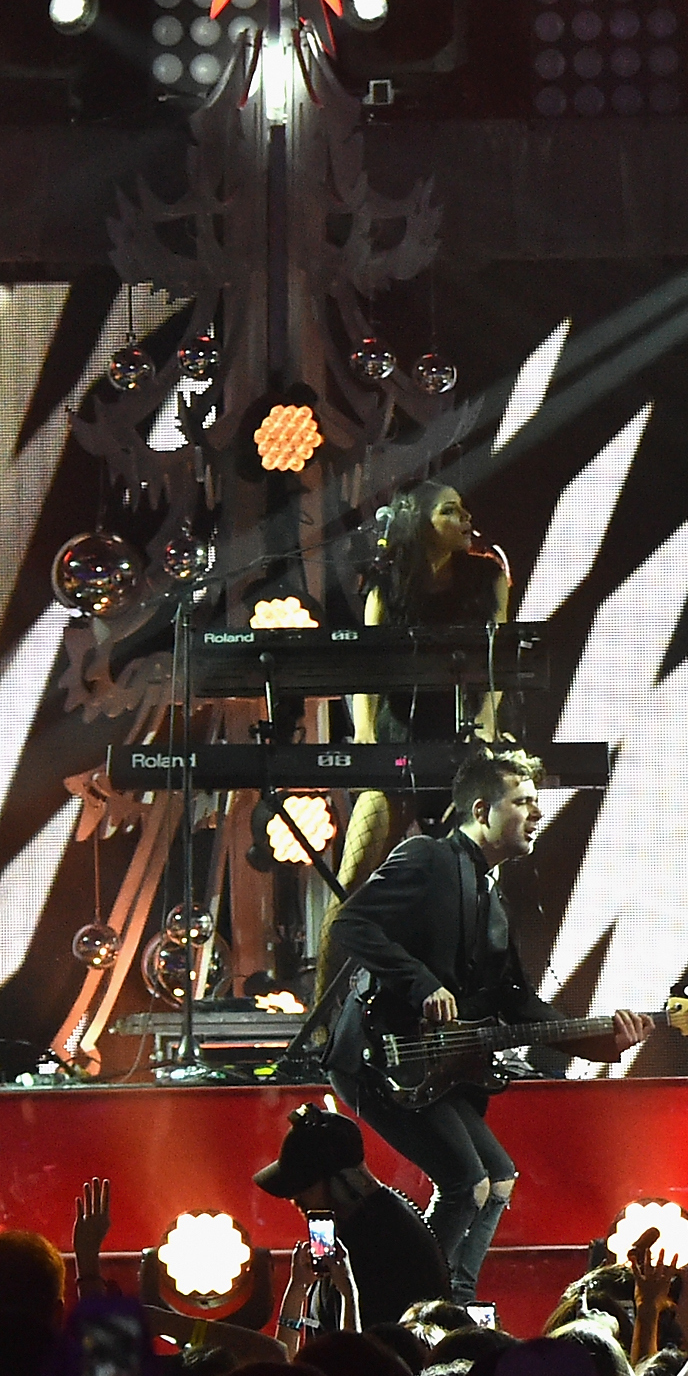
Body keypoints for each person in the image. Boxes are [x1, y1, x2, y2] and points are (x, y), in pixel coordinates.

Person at [324, 747, 651, 1301]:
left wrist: (602, 1040)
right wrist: (421, 983)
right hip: (378, 1059)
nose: (538, 813)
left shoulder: (493, 898)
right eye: (523, 802)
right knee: (467, 1183)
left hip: (436, 1067)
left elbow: (515, 1002)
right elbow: (350, 923)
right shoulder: (428, 857)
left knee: (497, 1180)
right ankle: (408, 1302)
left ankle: (454, 1304)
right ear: (482, 810)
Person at [335, 479, 514, 901]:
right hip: (398, 741)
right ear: (419, 522)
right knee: (349, 886)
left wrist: (486, 726)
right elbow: (369, 668)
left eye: (463, 508)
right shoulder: (386, 585)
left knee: (471, 888)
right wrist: (365, 737)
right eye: (449, 510)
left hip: (464, 740)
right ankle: (332, 948)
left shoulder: (487, 577)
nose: (465, 517)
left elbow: (499, 664)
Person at [254, 1103, 454, 1331]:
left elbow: (361, 1342)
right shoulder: (370, 1223)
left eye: (304, 1186)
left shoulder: (382, 1242)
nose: (294, 1199)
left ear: (343, 1181)